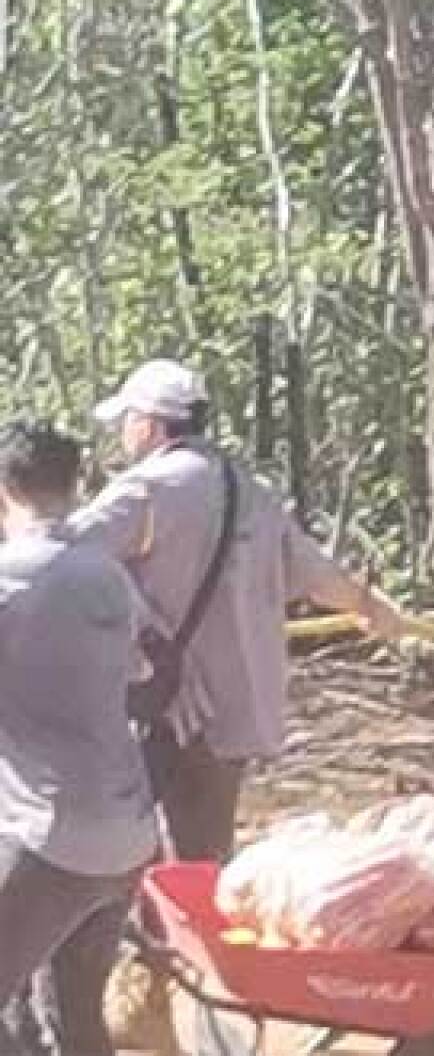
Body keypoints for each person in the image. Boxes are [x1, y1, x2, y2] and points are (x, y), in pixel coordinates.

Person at [69, 359, 403, 863]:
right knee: (205, 849)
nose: (122, 434)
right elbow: (317, 574)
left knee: (117, 838)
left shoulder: (149, 488)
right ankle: (190, 937)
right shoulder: (251, 492)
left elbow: (65, 555)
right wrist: (369, 605)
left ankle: (150, 936)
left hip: (167, 701)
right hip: (237, 707)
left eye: (127, 420)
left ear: (150, 425)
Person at [0, 419, 158, 1056]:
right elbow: (138, 669)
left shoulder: (12, 576)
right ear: (78, 484)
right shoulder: (110, 577)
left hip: (51, 837)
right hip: (128, 832)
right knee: (74, 1011)